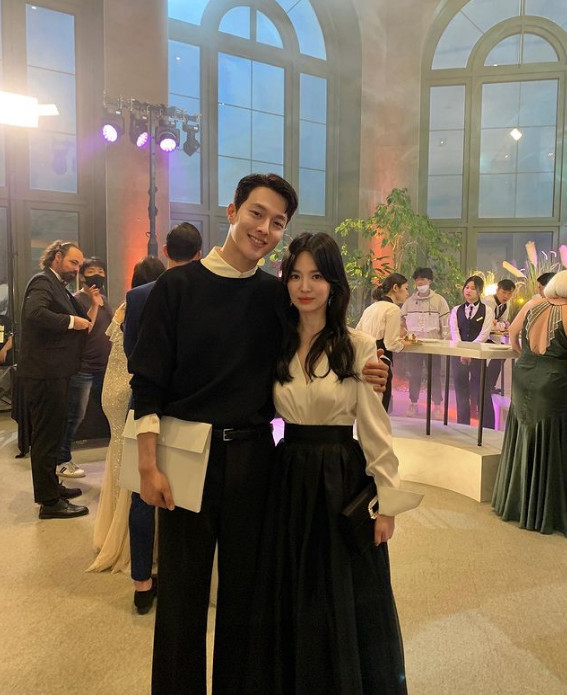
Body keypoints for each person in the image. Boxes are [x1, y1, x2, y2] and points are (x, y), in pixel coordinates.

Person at [128, 173, 390, 694]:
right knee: (181, 596)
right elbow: (148, 383)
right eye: (256, 213)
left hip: (256, 461)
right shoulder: (177, 288)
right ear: (232, 212)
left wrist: (371, 368)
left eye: (277, 222)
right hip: (186, 458)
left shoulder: (276, 296)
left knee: (246, 600)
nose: (264, 228)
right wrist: (147, 464)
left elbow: (319, 344)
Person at [245, 233, 419, 695]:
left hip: (340, 474)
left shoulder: (357, 346)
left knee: (341, 589)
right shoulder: (277, 343)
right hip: (287, 472)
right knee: (291, 584)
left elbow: (376, 429)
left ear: (333, 283)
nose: (305, 287)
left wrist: (387, 504)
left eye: (317, 276)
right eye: (296, 276)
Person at [125, 224, 202, 615]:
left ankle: (142, 581)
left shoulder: (138, 296)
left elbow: (131, 354)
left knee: (142, 494)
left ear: (166, 251)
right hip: (188, 408)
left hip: (145, 402)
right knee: (186, 492)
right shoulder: (202, 293)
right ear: (199, 254)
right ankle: (181, 577)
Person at [87, 256, 166, 578]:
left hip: (112, 391)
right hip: (131, 392)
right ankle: (133, 544)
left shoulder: (124, 306)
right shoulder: (151, 306)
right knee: (136, 467)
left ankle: (114, 532)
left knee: (119, 458)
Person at [18, 240, 94, 519]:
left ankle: (52, 487)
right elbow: (35, 314)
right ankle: (49, 503)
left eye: (79, 265)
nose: (76, 269)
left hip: (55, 372)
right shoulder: (43, 281)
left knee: (52, 434)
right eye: (73, 262)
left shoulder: (58, 286)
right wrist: (72, 322)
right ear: (57, 257)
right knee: (46, 438)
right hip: (44, 373)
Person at [492, 270, 567, 535]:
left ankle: (515, 503)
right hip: (555, 378)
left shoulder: (533, 305)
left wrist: (527, 356)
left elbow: (512, 335)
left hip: (523, 373)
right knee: (551, 435)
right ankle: (545, 509)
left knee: (522, 433)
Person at [56, 257, 113, 478]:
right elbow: (84, 330)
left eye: (101, 271)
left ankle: (118, 456)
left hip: (105, 366)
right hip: (83, 368)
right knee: (74, 416)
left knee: (112, 411)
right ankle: (62, 460)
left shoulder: (105, 300)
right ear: (82, 277)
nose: (97, 275)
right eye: (91, 271)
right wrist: (94, 304)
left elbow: (112, 328)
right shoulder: (76, 299)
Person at [400, 267, 450, 418]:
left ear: (430, 281)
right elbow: (401, 321)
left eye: (423, 279)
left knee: (434, 375)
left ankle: (437, 406)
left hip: (434, 346)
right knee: (414, 374)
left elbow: (446, 324)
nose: (420, 282)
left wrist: (445, 342)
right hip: (414, 346)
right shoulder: (409, 302)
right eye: (417, 279)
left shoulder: (439, 301)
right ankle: (413, 403)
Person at [356, 273, 409, 411]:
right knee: (380, 410)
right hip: (381, 362)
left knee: (367, 409)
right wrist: (405, 344)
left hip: (364, 361)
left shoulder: (370, 308)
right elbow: (391, 343)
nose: (407, 293)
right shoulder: (393, 309)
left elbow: (357, 334)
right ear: (395, 288)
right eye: (406, 288)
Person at [449, 275, 495, 428]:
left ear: (480, 291)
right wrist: (462, 351)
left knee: (482, 391)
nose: (468, 291)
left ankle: (488, 427)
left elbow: (484, 334)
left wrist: (470, 352)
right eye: (467, 287)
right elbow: (455, 332)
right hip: (458, 355)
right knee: (461, 391)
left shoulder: (487, 310)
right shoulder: (456, 310)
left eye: (473, 288)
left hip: (478, 355)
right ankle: (462, 426)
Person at [483, 279, 515, 399]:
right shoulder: (488, 301)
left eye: (509, 293)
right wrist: (502, 325)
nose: (506, 296)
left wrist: (503, 325)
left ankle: (489, 384)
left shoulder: (506, 304)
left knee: (502, 353)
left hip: (492, 336)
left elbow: (503, 322)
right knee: (498, 354)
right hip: (481, 335)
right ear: (497, 290)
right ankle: (486, 384)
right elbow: (491, 324)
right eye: (504, 292)